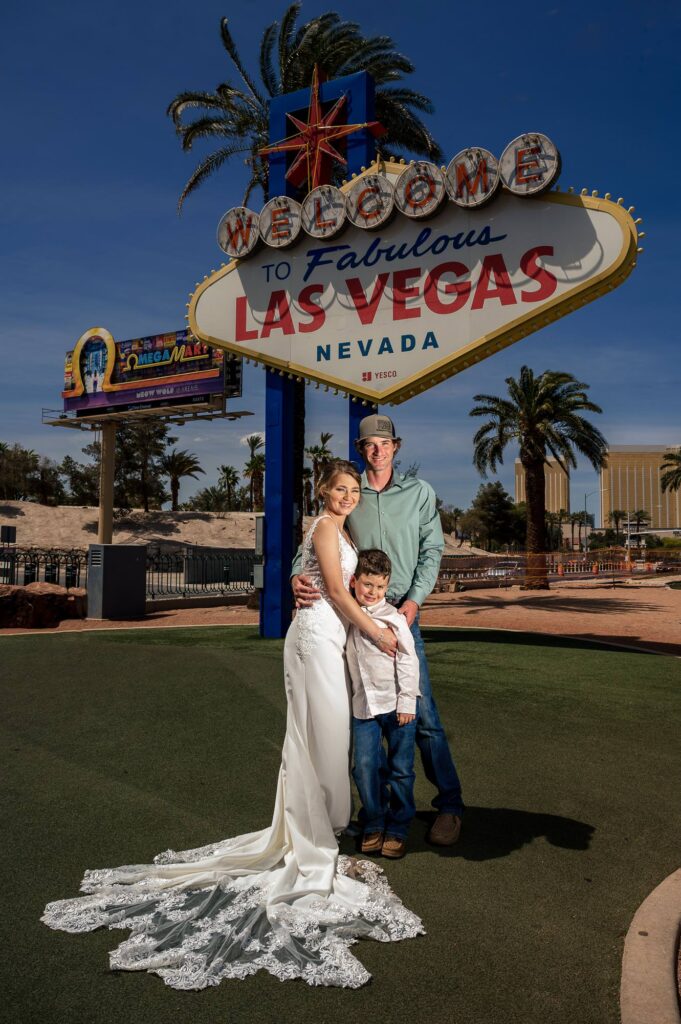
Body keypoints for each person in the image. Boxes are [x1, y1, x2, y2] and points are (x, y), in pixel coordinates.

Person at [42, 460, 423, 991]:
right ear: (323, 490)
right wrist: (381, 634)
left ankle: (317, 826)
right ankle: (309, 833)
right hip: (316, 637)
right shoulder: (322, 526)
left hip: (330, 638)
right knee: (317, 736)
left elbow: (333, 576)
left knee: (324, 737)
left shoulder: (340, 528)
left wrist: (324, 593)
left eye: (353, 489)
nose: (347, 496)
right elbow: (337, 593)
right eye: (339, 488)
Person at [293, 414, 464, 846]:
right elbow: (318, 541)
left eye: (384, 444)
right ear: (360, 448)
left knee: (421, 716)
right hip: (354, 619)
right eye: (369, 444)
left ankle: (449, 806)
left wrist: (412, 603)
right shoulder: (350, 495)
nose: (377, 450)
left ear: (396, 447)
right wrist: (296, 573)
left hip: (401, 614)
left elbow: (433, 550)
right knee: (362, 715)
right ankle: (375, 815)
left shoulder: (420, 492)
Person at [346, 548, 420, 860]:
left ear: (387, 587)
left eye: (379, 587)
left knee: (401, 769)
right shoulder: (349, 615)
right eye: (367, 585)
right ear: (353, 582)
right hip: (364, 707)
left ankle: (399, 826)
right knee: (364, 767)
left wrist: (406, 703)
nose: (373, 593)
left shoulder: (394, 619)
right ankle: (375, 821)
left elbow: (408, 662)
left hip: (397, 707)